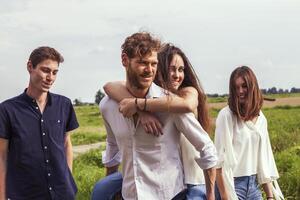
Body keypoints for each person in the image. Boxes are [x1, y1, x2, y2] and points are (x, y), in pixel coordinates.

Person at [98, 32, 217, 200]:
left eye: (153, 64)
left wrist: (211, 196)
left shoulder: (170, 104)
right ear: (125, 60)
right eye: (142, 63)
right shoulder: (107, 106)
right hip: (130, 195)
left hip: (169, 195)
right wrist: (109, 183)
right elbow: (112, 144)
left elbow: (207, 147)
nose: (149, 70)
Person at [0, 46, 79, 200]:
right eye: (45, 70)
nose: (50, 77)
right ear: (30, 67)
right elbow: (1, 157)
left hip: (62, 194)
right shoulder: (7, 110)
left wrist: (67, 181)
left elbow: (66, 143)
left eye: (55, 72)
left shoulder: (64, 105)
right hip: (25, 194)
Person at [214, 66, 284, 200]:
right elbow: (218, 164)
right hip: (231, 185)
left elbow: (262, 160)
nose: (240, 91)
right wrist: (225, 197)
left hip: (253, 187)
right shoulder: (226, 116)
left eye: (244, 86)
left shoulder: (261, 119)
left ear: (252, 87)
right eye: (236, 87)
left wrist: (269, 196)